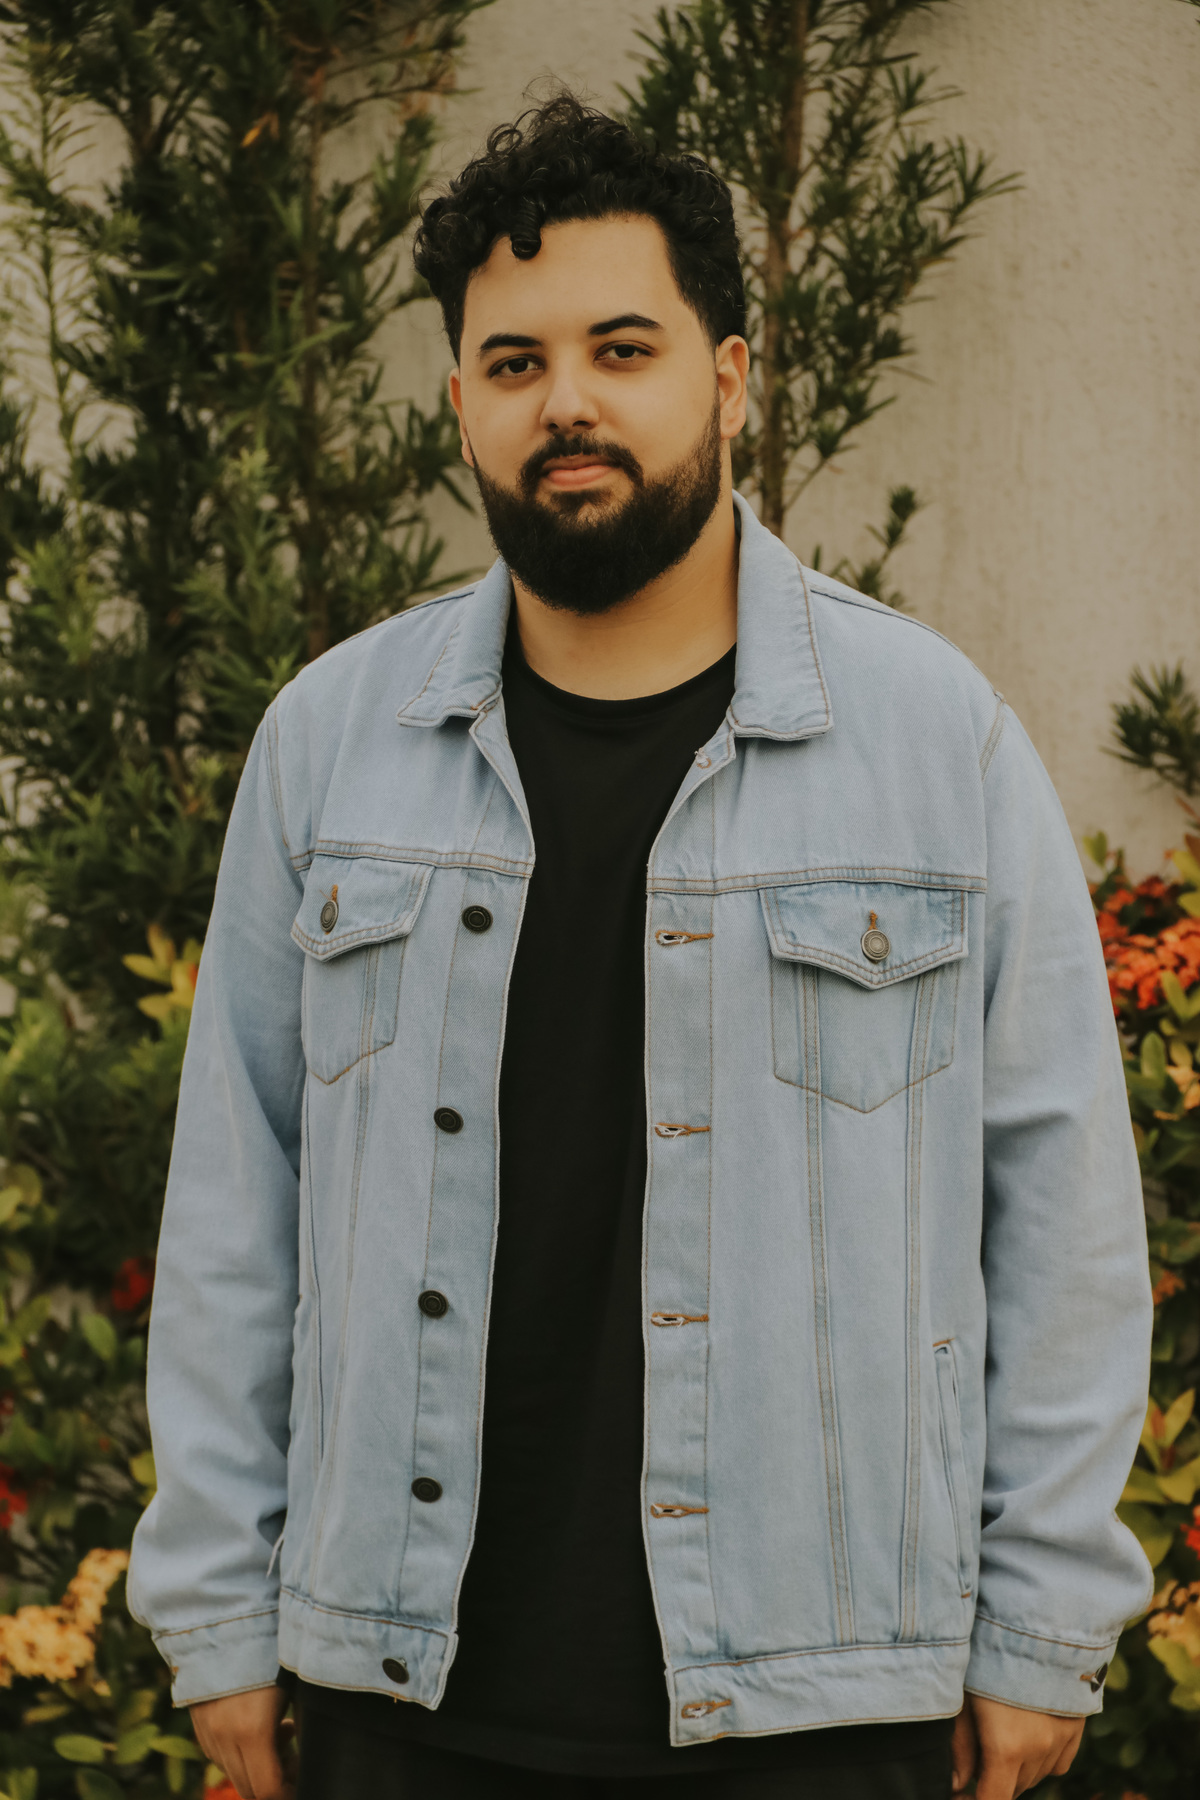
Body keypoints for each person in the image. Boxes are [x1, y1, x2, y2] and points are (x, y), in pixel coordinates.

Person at [128, 95, 1153, 1800]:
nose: (568, 403)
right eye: (514, 362)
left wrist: (1044, 1620)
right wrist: (221, 1610)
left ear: (729, 378)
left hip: (818, 1700)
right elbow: (240, 1210)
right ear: (461, 403)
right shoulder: (330, 746)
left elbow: (1062, 1215)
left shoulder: (933, 741)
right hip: (405, 1692)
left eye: (622, 348)